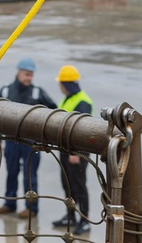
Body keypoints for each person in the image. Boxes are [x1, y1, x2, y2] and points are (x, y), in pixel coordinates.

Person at [0, 57, 57, 218]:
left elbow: (54, 112)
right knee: (11, 172)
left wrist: (45, 138)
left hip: (31, 142)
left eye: (31, 75)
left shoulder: (38, 92)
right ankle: (10, 203)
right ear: (18, 72)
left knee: (30, 176)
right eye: (27, 74)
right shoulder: (5, 91)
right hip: (11, 141)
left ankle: (32, 208)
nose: (29, 78)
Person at [52, 64, 93, 236]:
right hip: (65, 150)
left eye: (61, 83)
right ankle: (70, 216)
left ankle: (84, 221)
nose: (59, 86)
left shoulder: (83, 102)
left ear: (66, 84)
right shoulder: (68, 98)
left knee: (79, 186)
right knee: (67, 185)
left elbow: (82, 129)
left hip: (76, 153)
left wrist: (76, 153)